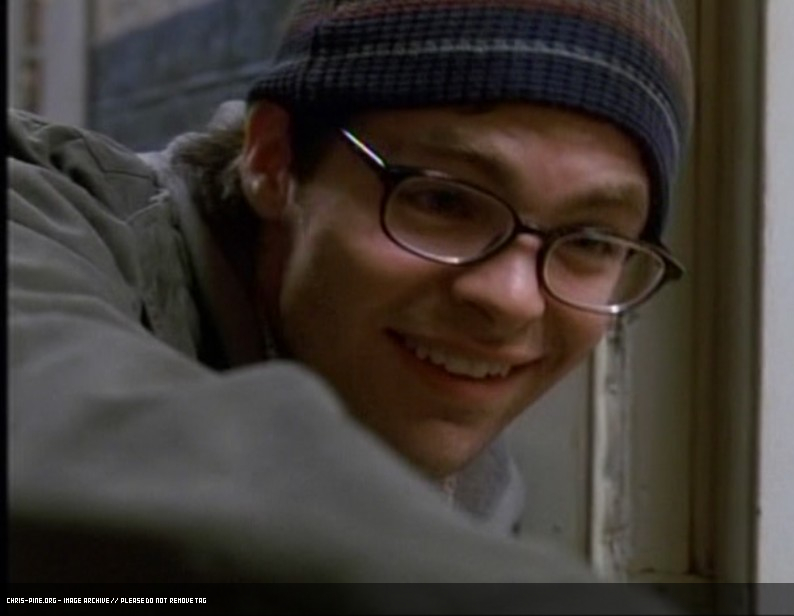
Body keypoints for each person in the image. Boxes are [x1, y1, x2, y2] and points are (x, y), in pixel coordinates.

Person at [8, 0, 693, 605]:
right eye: (443, 200)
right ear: (274, 159)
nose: (513, 301)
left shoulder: (470, 484)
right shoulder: (38, 215)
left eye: (591, 241)